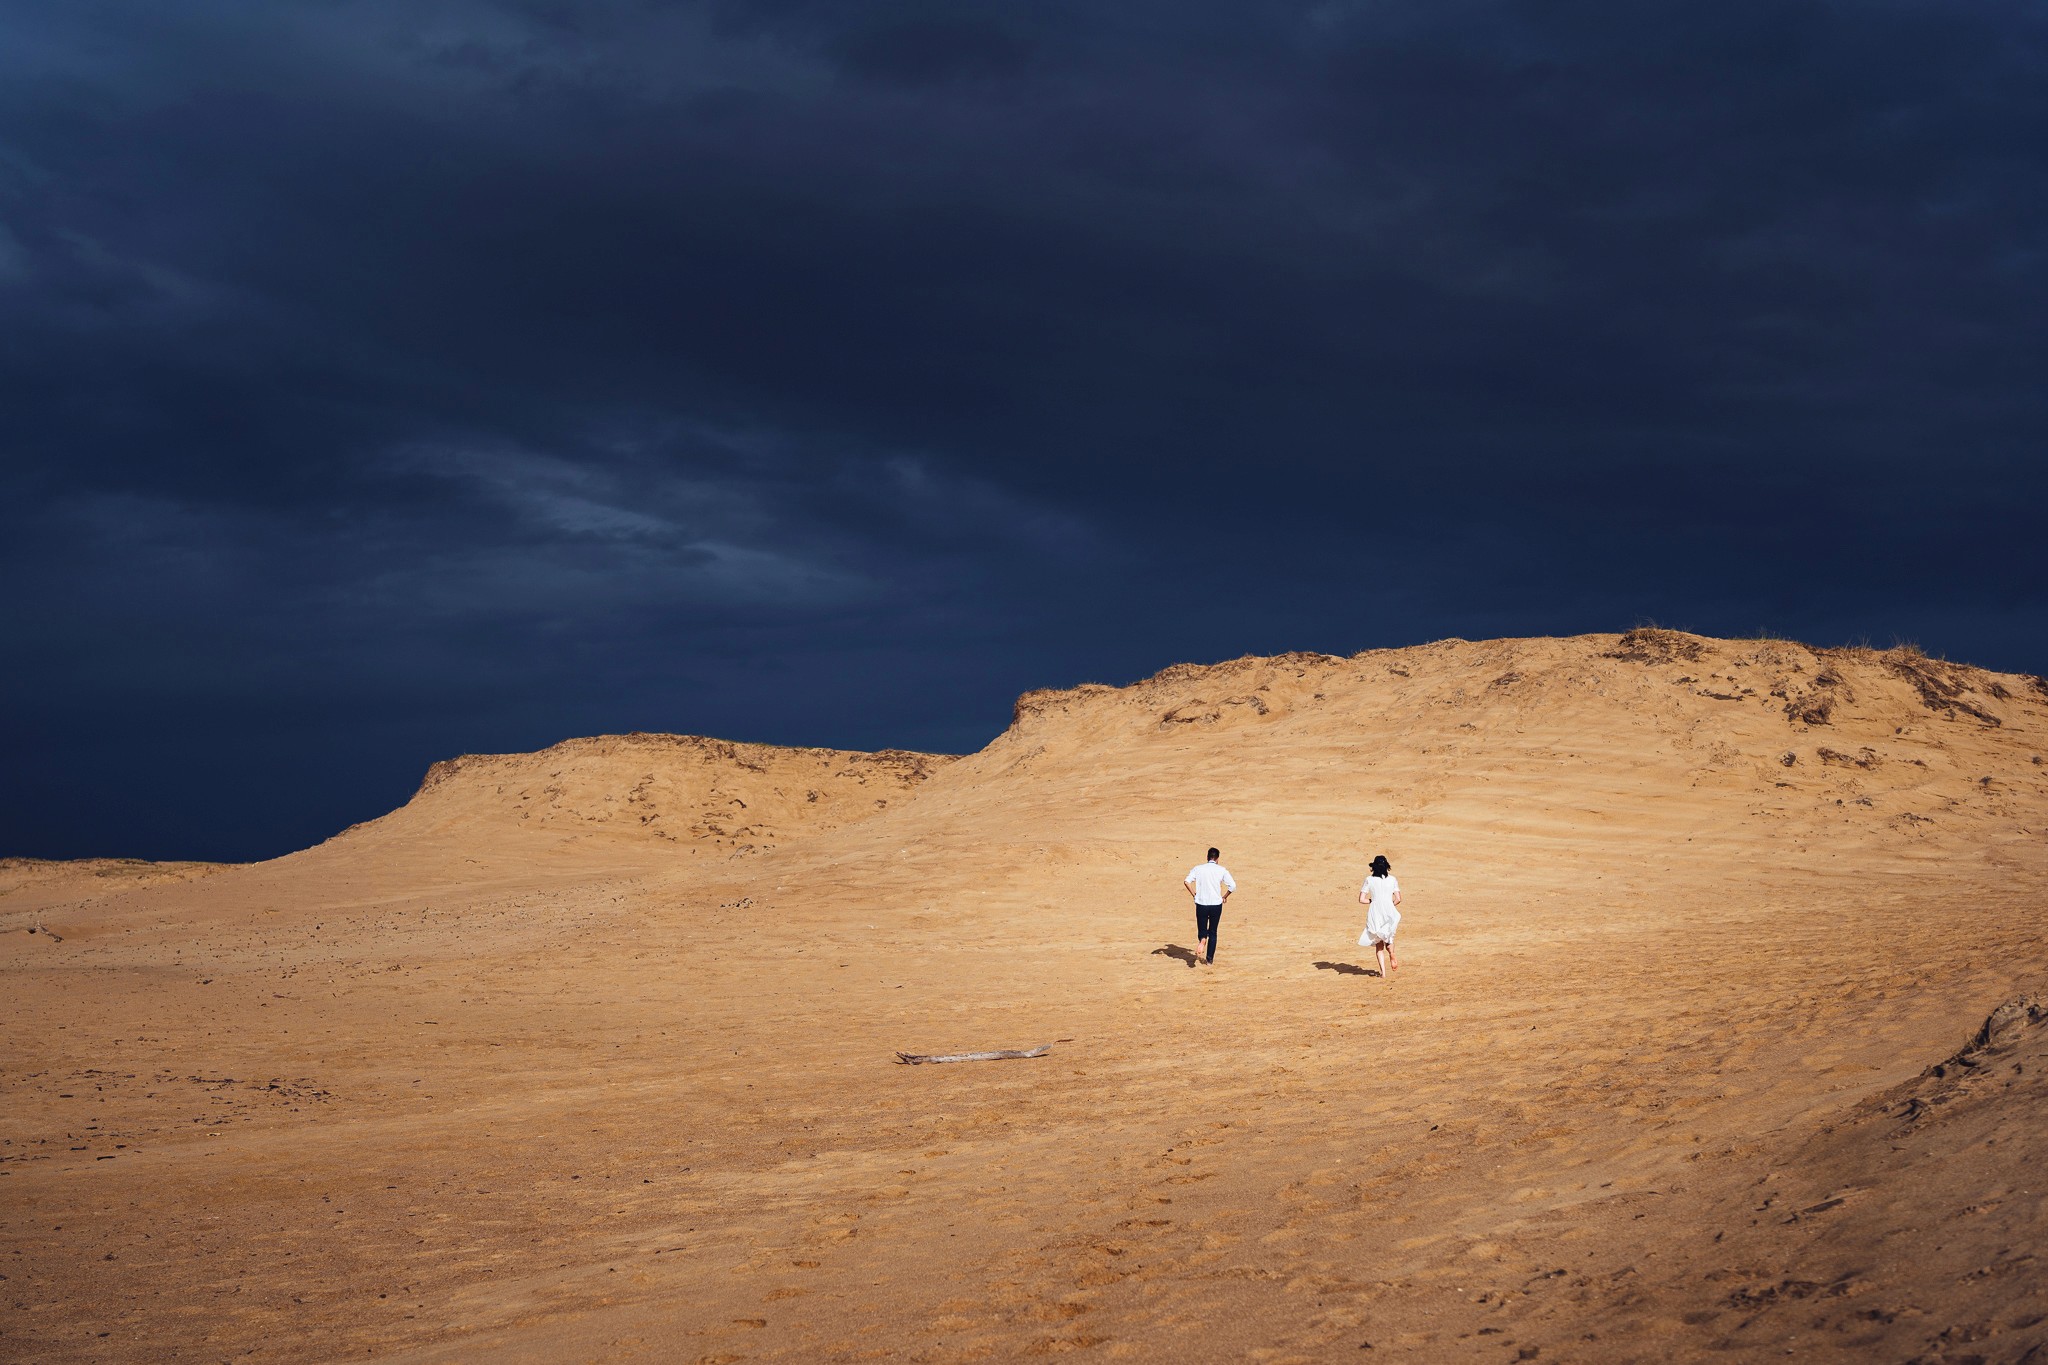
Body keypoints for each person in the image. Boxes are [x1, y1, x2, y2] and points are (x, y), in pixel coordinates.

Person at [1182, 847, 1236, 965]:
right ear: (1217, 859)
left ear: (1207, 857)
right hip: (1216, 904)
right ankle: (1209, 960)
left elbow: (1187, 881)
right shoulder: (1221, 870)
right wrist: (1225, 897)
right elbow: (1232, 886)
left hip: (1201, 903)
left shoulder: (1198, 868)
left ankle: (1202, 939)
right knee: (1213, 932)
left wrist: (1194, 895)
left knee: (1202, 929)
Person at [1358, 854, 1402, 979]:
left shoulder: (1369, 880)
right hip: (1389, 910)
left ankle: (1383, 973)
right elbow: (1398, 899)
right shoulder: (1392, 879)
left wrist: (1373, 900)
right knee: (1389, 937)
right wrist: (1390, 906)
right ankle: (1392, 953)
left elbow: (1362, 899)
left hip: (1375, 911)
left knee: (1378, 944)